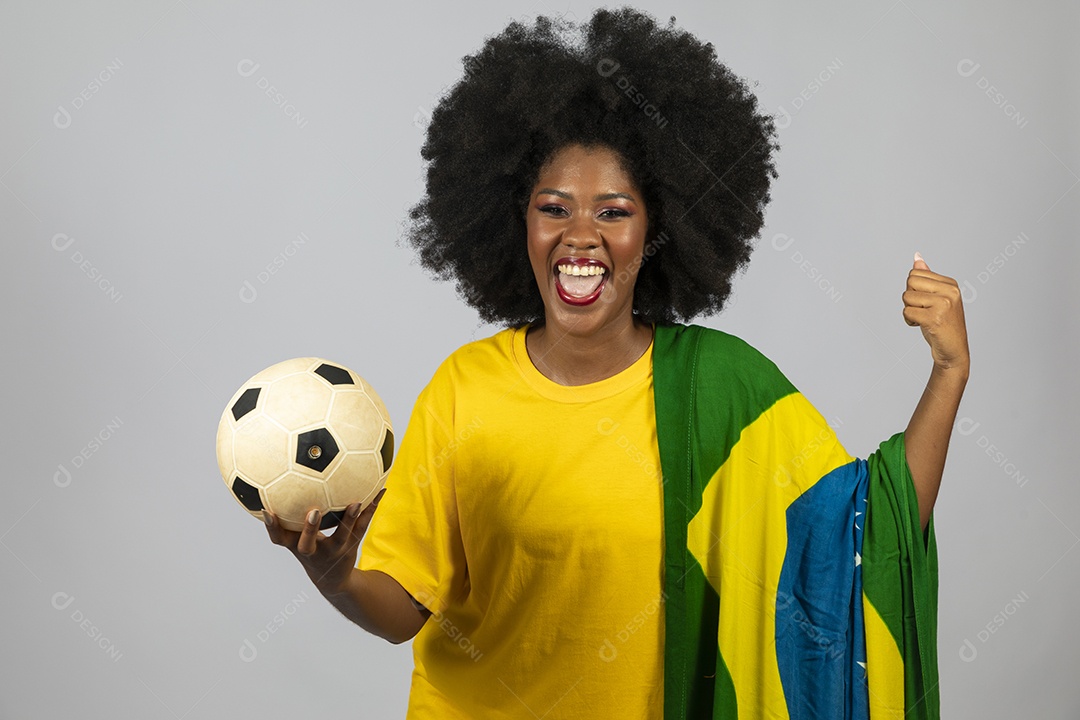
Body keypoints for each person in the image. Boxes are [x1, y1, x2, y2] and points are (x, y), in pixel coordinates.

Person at [264, 7, 968, 719]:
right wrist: (335, 578)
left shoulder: (716, 389)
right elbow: (405, 608)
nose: (580, 238)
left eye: (612, 212)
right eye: (553, 208)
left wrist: (948, 374)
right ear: (518, 222)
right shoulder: (464, 388)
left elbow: (862, 531)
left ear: (656, 229)